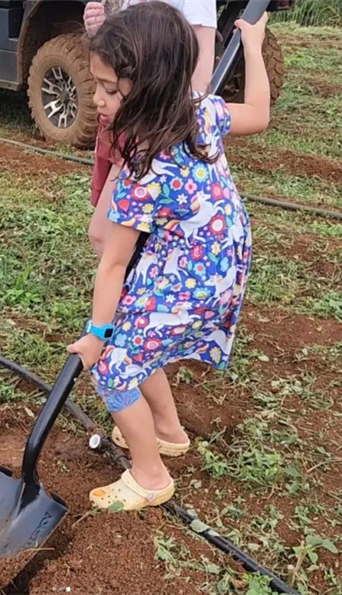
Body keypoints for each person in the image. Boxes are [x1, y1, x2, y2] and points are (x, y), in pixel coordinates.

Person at [68, 2, 270, 511]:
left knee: (113, 367)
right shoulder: (199, 109)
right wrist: (252, 46)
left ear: (153, 84)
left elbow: (113, 262)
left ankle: (150, 474)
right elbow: (260, 115)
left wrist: (96, 335)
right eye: (97, 84)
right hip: (216, 261)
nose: (99, 99)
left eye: (112, 90)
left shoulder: (142, 170)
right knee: (132, 331)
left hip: (191, 276)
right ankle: (168, 432)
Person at [85, 0, 218, 258]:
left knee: (107, 236)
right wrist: (102, 33)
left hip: (151, 130)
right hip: (129, 121)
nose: (95, 97)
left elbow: (197, 81)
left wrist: (160, 133)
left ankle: (127, 288)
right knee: (107, 234)